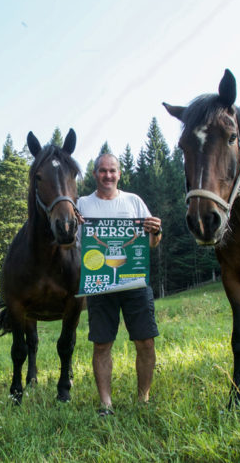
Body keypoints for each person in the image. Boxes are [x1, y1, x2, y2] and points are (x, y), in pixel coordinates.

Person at [76, 153, 162, 416]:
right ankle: (106, 405)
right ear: (95, 175)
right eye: (102, 171)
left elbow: (151, 244)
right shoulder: (81, 204)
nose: (108, 176)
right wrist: (72, 226)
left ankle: (143, 399)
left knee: (145, 341)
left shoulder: (134, 201)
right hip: (100, 284)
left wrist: (156, 231)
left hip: (135, 283)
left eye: (112, 171)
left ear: (119, 174)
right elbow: (72, 244)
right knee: (102, 344)